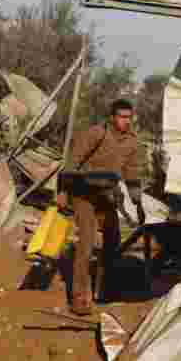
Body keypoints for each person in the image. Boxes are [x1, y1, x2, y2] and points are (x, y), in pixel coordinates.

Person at [57, 99, 144, 315]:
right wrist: (62, 191)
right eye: (122, 117)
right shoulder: (96, 134)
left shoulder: (132, 142)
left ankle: (105, 289)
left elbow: (132, 173)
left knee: (113, 242)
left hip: (107, 197)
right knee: (86, 243)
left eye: (129, 117)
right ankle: (80, 298)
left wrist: (138, 202)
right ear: (112, 117)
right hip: (84, 195)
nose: (126, 121)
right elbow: (72, 162)